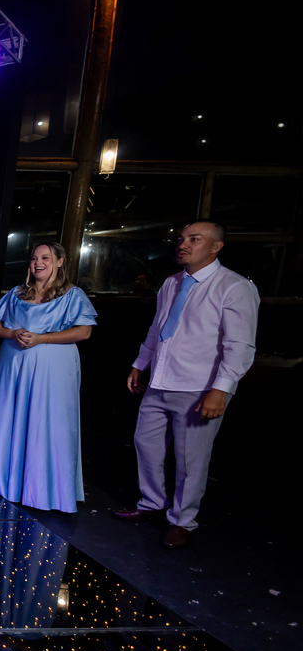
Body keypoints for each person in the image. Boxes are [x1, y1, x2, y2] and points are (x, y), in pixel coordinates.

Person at [114, 221, 259, 548]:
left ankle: (182, 521)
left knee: (190, 458)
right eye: (182, 239)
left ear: (216, 247)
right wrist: (140, 364)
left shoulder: (234, 286)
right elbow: (158, 328)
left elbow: (240, 346)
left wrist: (221, 390)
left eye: (194, 239)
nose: (183, 244)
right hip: (160, 380)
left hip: (200, 386)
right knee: (146, 444)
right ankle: (152, 503)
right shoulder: (171, 282)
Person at [0, 242, 97, 513]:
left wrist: (43, 338)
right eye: (33, 258)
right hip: (14, 366)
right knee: (9, 417)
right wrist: (11, 333)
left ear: (60, 261)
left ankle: (43, 488)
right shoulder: (17, 293)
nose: (38, 263)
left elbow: (84, 332)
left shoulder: (72, 295)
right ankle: (9, 481)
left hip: (53, 370)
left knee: (47, 422)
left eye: (45, 258)